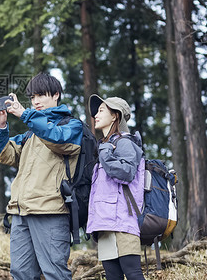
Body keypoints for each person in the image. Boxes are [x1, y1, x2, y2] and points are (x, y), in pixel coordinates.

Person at [0, 73, 83, 280]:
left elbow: (57, 139)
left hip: (51, 211)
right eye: (32, 97)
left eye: (40, 95)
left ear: (56, 94)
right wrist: (0, 126)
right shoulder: (31, 133)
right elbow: (7, 155)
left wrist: (25, 115)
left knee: (54, 273)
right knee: (21, 273)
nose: (35, 101)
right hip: (21, 212)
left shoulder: (71, 125)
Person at [86, 94, 146, 280]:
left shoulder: (125, 143)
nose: (96, 114)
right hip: (105, 223)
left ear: (115, 116)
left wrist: (104, 151)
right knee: (113, 277)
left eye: (101, 110)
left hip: (123, 222)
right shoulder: (107, 146)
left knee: (133, 274)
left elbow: (126, 173)